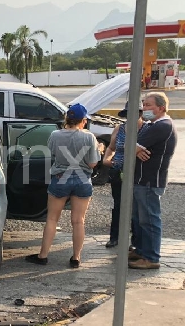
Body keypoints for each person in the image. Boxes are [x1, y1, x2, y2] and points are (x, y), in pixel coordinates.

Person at [25, 103, 100, 268]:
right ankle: (76, 258)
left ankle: (43, 256)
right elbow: (93, 163)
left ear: (67, 118)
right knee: (78, 221)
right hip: (82, 180)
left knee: (52, 218)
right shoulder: (89, 137)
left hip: (60, 178)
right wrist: (98, 150)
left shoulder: (55, 135)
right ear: (84, 120)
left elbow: (52, 153)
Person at [129, 92, 177, 270]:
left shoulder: (162, 126)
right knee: (140, 219)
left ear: (161, 108)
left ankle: (151, 257)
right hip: (142, 179)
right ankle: (141, 250)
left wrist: (134, 148)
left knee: (149, 220)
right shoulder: (151, 125)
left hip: (149, 181)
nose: (144, 108)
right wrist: (135, 148)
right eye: (144, 104)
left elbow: (128, 146)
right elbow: (130, 145)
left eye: (149, 105)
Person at [102, 101, 144, 248]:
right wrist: (107, 159)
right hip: (118, 171)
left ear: (140, 114)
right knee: (119, 204)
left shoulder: (145, 129)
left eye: (136, 113)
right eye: (128, 114)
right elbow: (111, 148)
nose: (131, 116)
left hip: (137, 173)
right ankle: (115, 237)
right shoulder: (119, 129)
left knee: (135, 206)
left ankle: (134, 240)